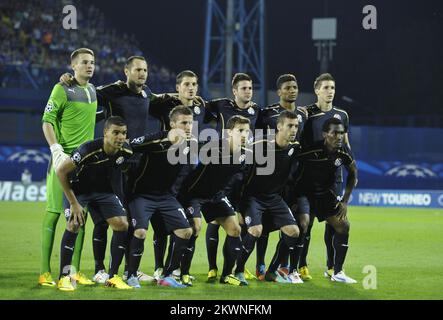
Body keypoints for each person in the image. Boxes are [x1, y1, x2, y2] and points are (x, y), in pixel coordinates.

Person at [55, 116, 134, 291]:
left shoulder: (126, 151)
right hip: (78, 191)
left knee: (122, 225)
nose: (120, 137)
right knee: (74, 223)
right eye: (116, 133)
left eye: (123, 133)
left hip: (103, 192)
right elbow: (61, 171)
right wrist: (73, 203)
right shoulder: (87, 150)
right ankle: (63, 277)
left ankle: (113, 277)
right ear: (105, 132)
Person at [39, 48, 97, 287]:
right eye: (84, 62)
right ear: (73, 66)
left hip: (85, 164)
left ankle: (74, 271)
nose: (89, 66)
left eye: (92, 62)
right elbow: (47, 121)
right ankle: (44, 272)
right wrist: (55, 149)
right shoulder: (61, 89)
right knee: (53, 215)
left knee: (80, 217)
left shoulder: (93, 91)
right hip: (63, 162)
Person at [126, 106, 195, 288]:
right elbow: (129, 145)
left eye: (190, 123)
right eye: (183, 123)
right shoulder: (155, 139)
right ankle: (131, 275)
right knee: (140, 231)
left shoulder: (189, 145)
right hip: (142, 195)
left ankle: (167, 275)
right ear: (172, 124)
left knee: (186, 231)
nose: (188, 127)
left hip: (165, 196)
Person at [178, 115, 251, 286]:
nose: (244, 135)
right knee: (195, 227)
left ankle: (226, 275)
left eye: (247, 132)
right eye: (240, 131)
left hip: (216, 195)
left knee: (235, 230)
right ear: (228, 133)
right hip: (193, 194)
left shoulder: (244, 155)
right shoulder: (212, 147)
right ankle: (183, 273)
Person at [235, 111, 303, 285]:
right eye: (290, 125)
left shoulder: (294, 147)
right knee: (256, 230)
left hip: (273, 198)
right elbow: (239, 175)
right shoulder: (259, 145)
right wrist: (238, 207)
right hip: (253, 197)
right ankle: (239, 270)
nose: (294, 129)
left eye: (296, 126)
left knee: (294, 232)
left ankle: (272, 271)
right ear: (279, 126)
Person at [203, 73, 260, 282]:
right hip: (221, 169)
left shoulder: (257, 112)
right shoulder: (220, 106)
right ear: (234, 91)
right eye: (243, 88)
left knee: (241, 225)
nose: (248, 91)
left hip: (241, 172)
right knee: (217, 222)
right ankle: (213, 267)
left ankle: (235, 268)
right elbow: (199, 109)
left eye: (250, 88)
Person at [297, 73, 352, 280]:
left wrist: (350, 166)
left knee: (334, 222)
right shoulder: (307, 113)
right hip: (310, 178)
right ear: (317, 90)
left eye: (333, 88)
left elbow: (346, 144)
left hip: (334, 178)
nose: (330, 92)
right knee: (306, 223)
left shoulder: (342, 115)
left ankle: (332, 268)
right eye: (326, 88)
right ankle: (301, 265)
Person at [254, 73, 307, 280]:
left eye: (294, 87)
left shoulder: (303, 115)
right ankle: (260, 263)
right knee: (265, 226)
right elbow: (258, 144)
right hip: (271, 179)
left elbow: (304, 146)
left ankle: (284, 266)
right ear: (279, 92)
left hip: (294, 179)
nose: (292, 90)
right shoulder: (268, 114)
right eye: (287, 87)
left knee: (298, 224)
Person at [293, 118, 358, 283]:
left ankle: (337, 272)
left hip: (325, 195)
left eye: (342, 133)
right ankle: (293, 270)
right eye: (335, 133)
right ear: (325, 134)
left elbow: (353, 173)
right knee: (303, 224)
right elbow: (293, 171)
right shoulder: (310, 150)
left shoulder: (343, 152)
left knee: (343, 225)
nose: (339, 136)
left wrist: (345, 201)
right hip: (305, 194)